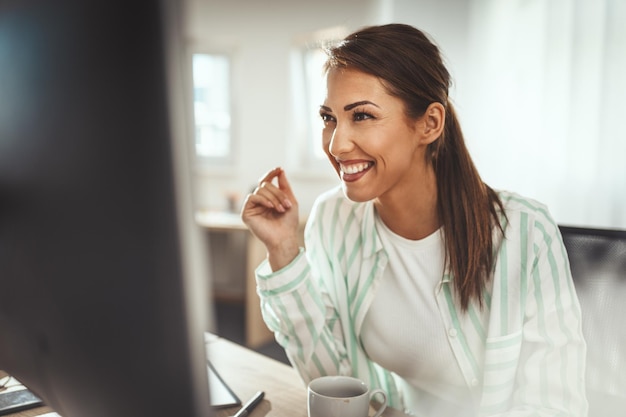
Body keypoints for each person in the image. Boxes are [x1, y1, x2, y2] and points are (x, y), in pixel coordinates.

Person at [241, 23, 588, 417]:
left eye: (363, 116)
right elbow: (333, 383)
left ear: (429, 124)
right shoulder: (334, 219)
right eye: (329, 118)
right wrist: (284, 250)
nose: (336, 144)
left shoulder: (525, 233)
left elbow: (555, 406)